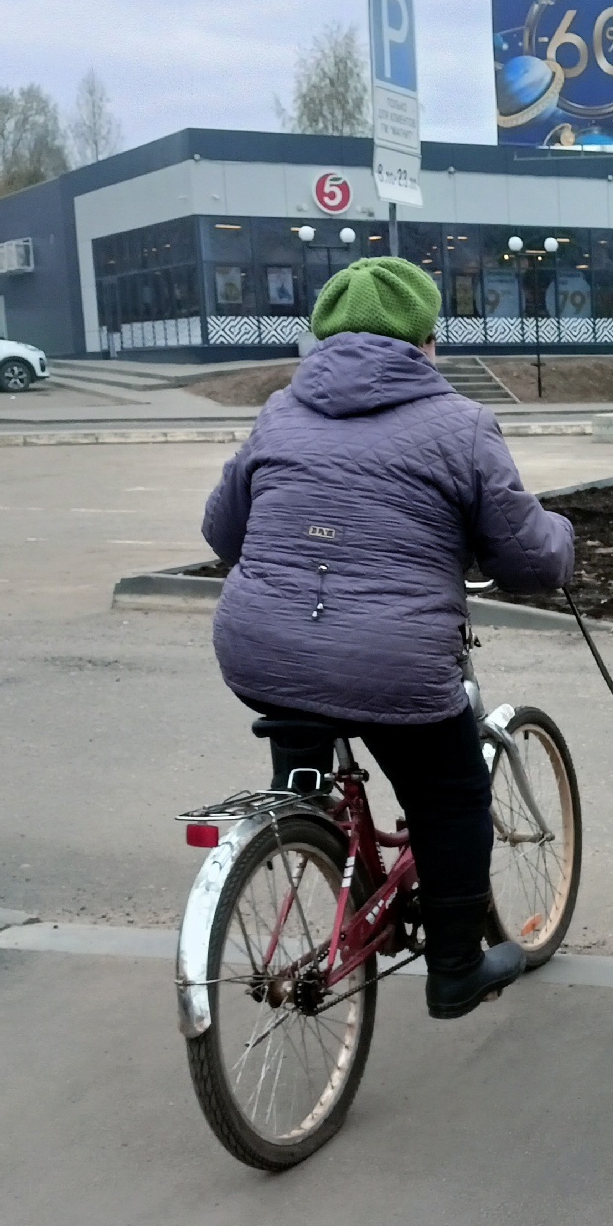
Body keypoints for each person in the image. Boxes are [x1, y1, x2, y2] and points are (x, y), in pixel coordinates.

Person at [201, 255, 575, 1020]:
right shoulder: (461, 425)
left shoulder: (279, 411)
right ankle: (455, 968)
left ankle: (305, 824)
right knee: (452, 794)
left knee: (308, 709)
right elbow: (529, 557)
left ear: (325, 338)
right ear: (426, 340)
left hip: (258, 649)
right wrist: (566, 542)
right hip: (390, 662)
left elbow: (220, 531)